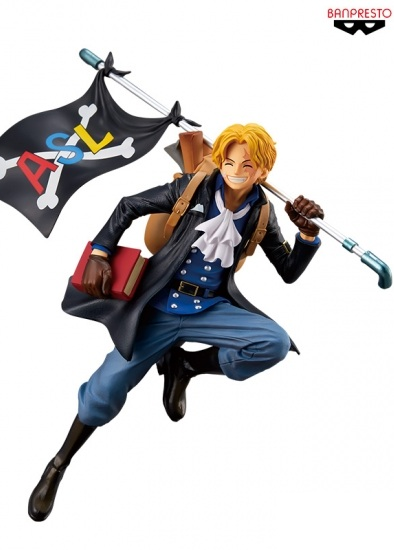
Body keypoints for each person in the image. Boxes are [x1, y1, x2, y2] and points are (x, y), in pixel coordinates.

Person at [28, 123, 324, 521]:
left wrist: (307, 235)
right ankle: (59, 464)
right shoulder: (192, 189)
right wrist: (100, 252)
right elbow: (129, 205)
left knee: (273, 342)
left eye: (247, 165)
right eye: (229, 161)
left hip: (210, 308)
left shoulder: (261, 213)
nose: (236, 170)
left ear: (263, 171)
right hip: (160, 306)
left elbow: (288, 270)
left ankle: (186, 365)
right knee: (104, 390)